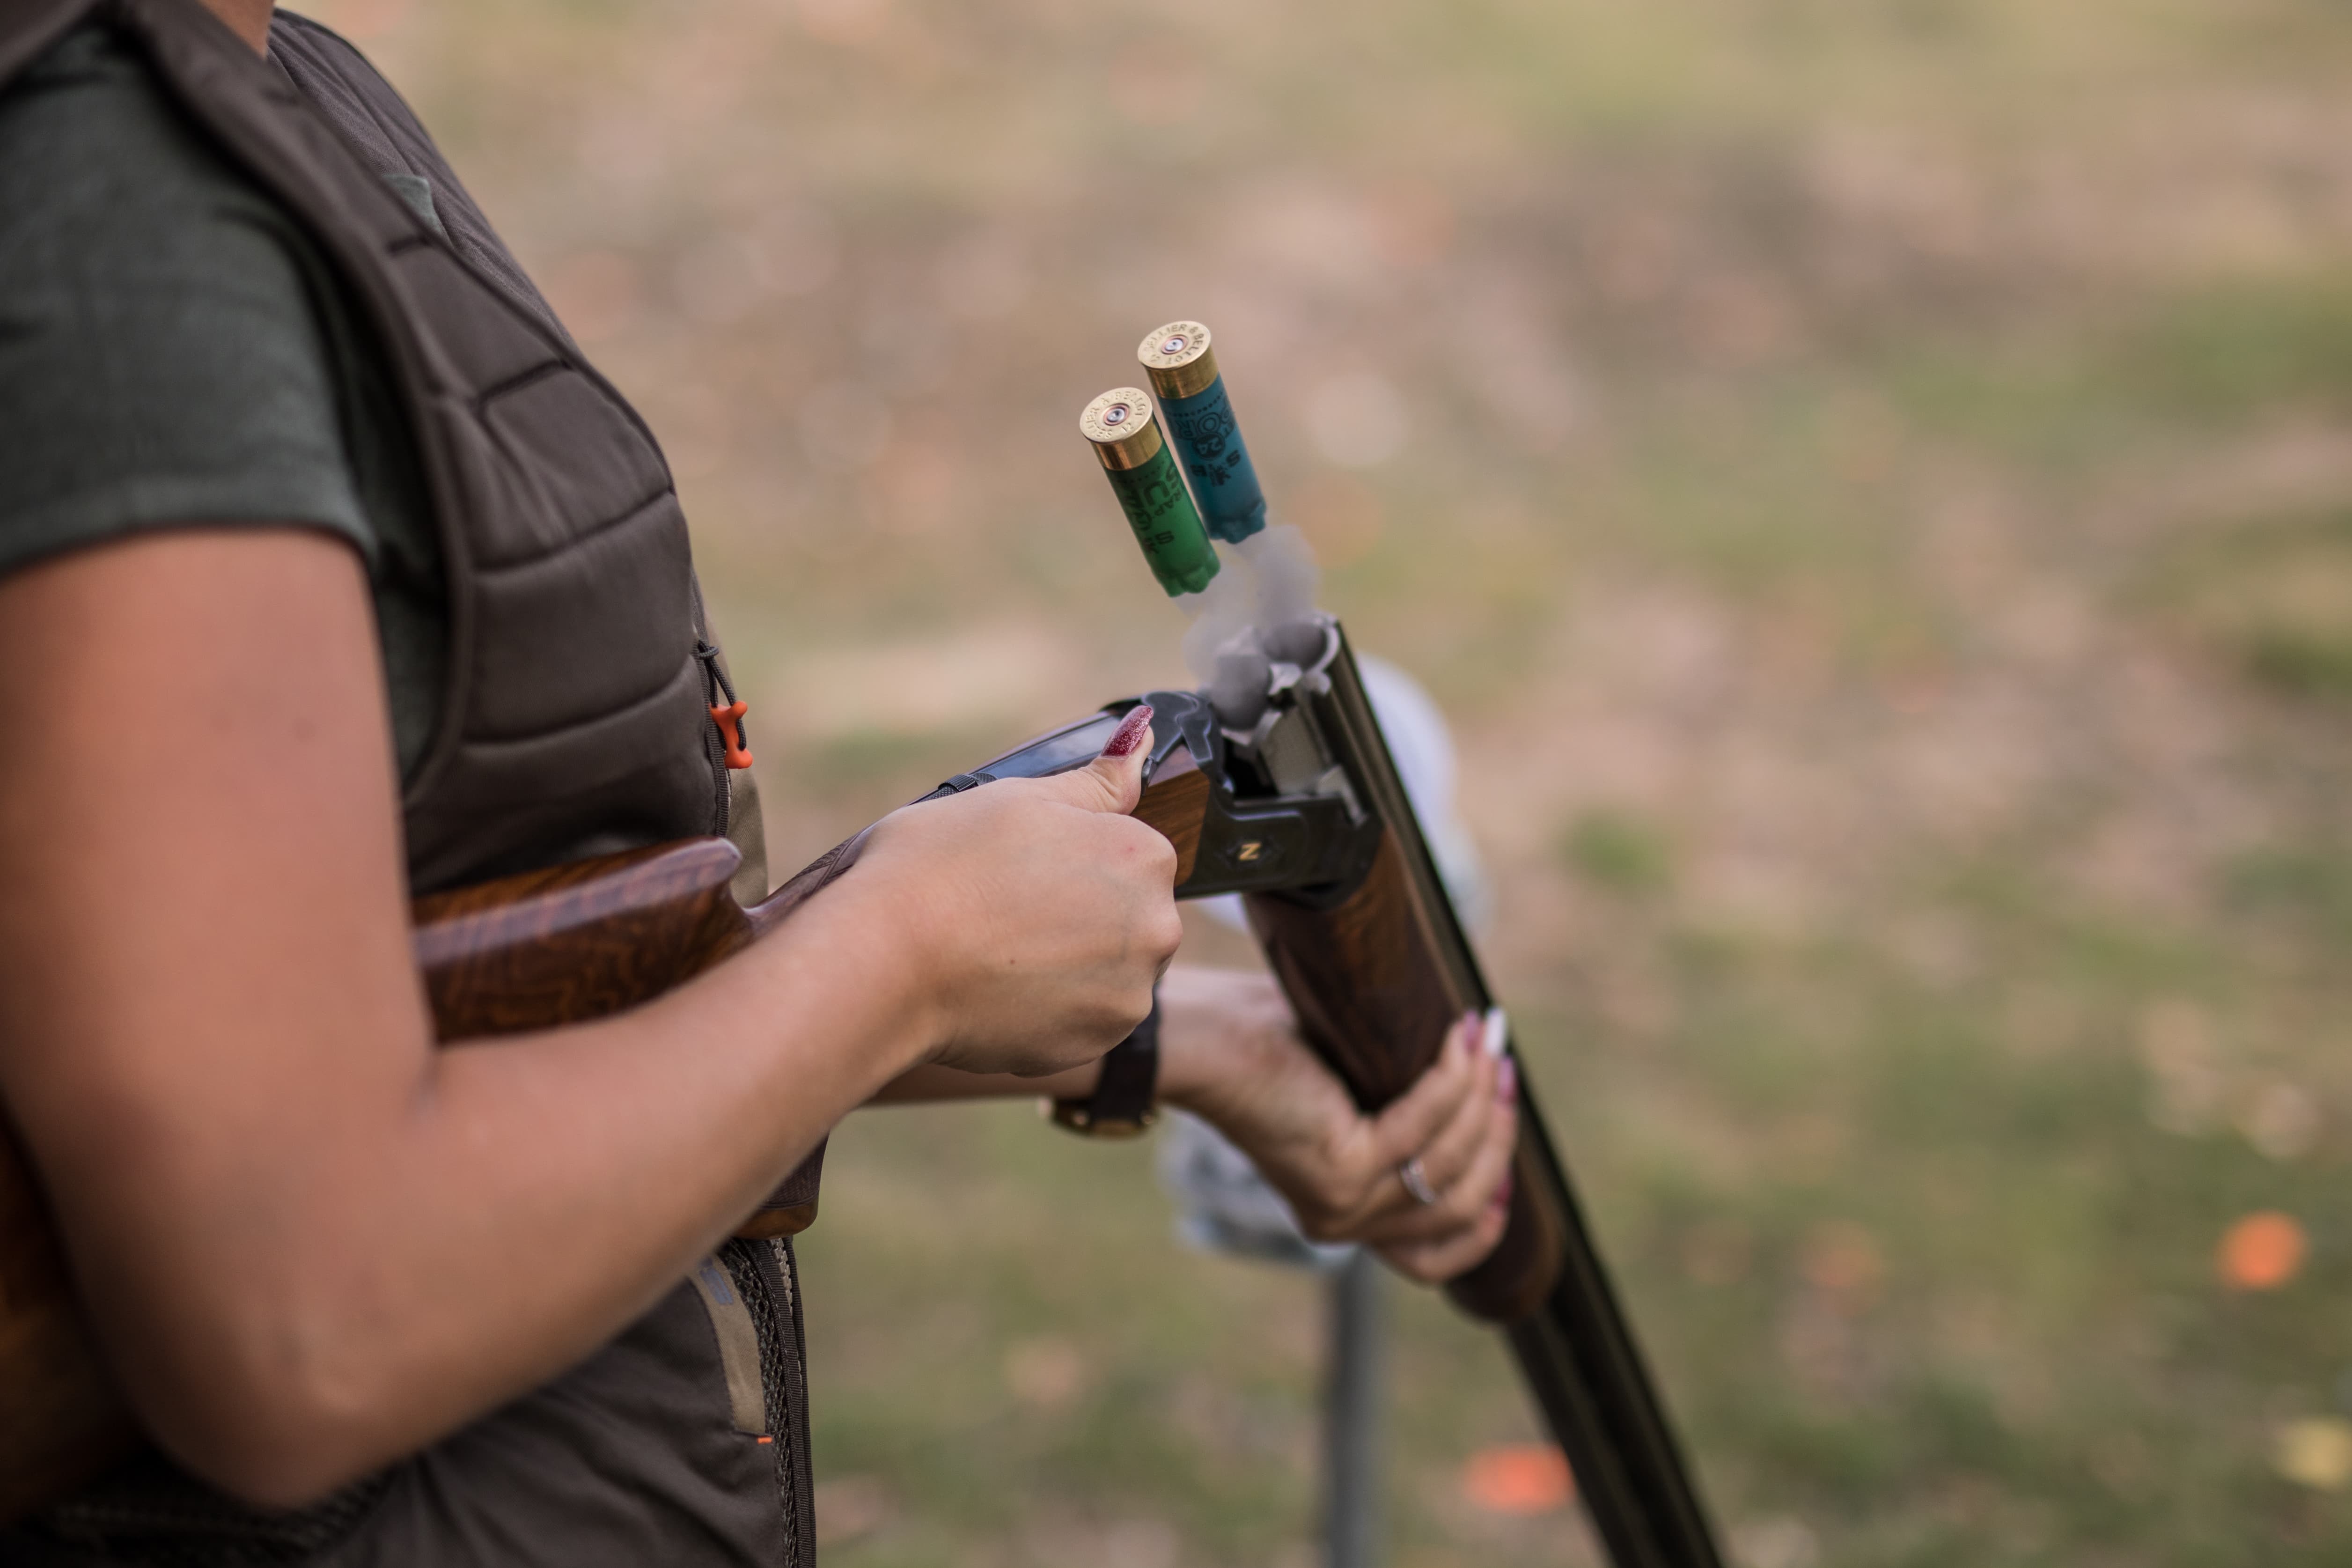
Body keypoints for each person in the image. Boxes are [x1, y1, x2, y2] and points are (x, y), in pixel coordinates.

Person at [0, 1, 1518, 1562]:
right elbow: (295, 1317)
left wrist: (1182, 1039)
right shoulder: (115, 210)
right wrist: (903, 956)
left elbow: (413, 993)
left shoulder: (264, 82)